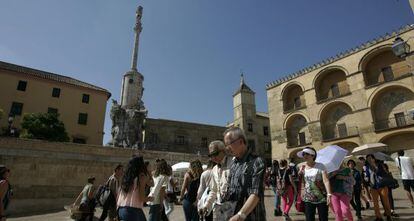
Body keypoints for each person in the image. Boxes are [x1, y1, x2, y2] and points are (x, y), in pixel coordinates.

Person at [224, 127, 266, 221]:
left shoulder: (257, 162)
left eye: (229, 144)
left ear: (241, 141)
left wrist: (240, 215)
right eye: (225, 145)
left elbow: (255, 193)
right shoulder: (234, 164)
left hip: (252, 217)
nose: (227, 148)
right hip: (233, 214)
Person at [199, 140, 233, 221]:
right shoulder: (214, 169)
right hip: (218, 209)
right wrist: (206, 206)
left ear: (223, 151)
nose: (213, 157)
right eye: (210, 155)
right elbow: (214, 190)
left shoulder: (233, 163)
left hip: (232, 208)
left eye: (215, 154)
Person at [297, 147, 332, 221]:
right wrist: (302, 190)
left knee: (323, 218)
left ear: (312, 155)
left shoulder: (320, 166)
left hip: (321, 197)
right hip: (308, 198)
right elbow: (303, 182)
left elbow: (326, 180)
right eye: (303, 154)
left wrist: (329, 194)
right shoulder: (302, 167)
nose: (304, 156)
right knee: (309, 218)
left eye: (307, 154)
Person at [118, 156, 153, 221]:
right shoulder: (141, 177)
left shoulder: (125, 178)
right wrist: (149, 199)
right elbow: (142, 198)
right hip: (133, 211)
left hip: (121, 210)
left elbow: (119, 196)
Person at [363, 154, 392, 221]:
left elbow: (384, 173)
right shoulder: (366, 167)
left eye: (370, 158)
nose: (369, 160)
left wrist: (375, 167)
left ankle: (388, 215)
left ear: (374, 158)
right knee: (375, 203)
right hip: (373, 187)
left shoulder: (380, 165)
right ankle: (378, 217)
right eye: (368, 159)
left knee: (386, 202)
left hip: (382, 186)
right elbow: (366, 178)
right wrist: (365, 176)